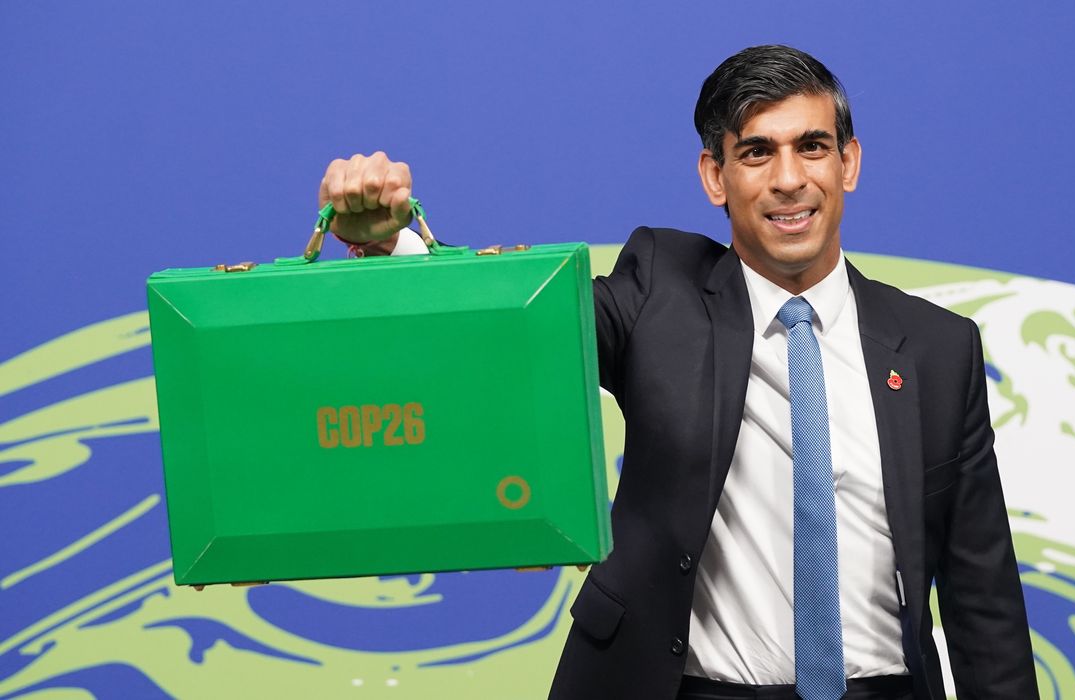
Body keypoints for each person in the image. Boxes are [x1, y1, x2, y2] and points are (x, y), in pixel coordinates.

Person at [320, 45, 1037, 700]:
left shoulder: (938, 349)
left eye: (811, 147)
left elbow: (984, 600)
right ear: (714, 177)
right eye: (756, 153)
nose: (789, 179)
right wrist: (390, 245)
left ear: (847, 163)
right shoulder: (658, 291)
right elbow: (509, 334)